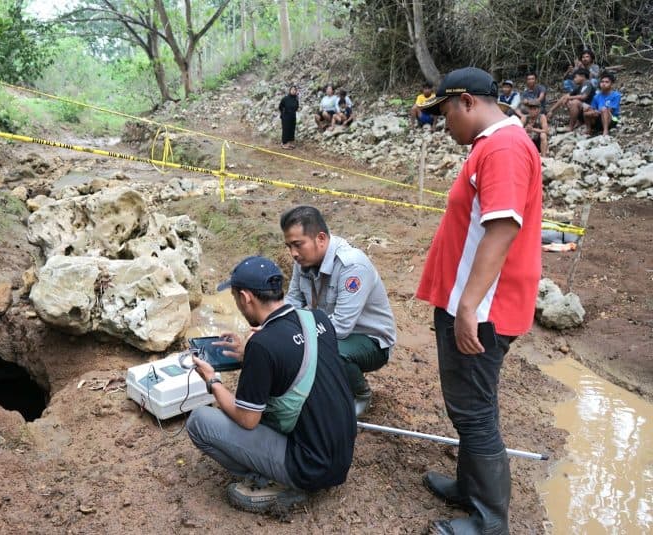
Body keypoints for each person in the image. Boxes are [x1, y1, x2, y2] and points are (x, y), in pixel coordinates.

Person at [417, 67, 542, 535]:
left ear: (467, 101)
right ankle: (470, 488)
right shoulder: (491, 145)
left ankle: (490, 523)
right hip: (471, 303)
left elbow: (503, 225)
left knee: (474, 409)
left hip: (483, 310)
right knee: (469, 404)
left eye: (445, 111)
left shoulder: (504, 148)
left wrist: (468, 307)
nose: (443, 122)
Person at [186, 256, 356, 514]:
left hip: (308, 467)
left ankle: (277, 481)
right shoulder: (318, 319)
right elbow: (297, 358)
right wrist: (249, 356)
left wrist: (213, 381)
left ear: (245, 297)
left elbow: (247, 420)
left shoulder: (263, 345)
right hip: (340, 456)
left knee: (199, 421)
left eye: (235, 298)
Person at [280, 205, 396, 416]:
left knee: (329, 351)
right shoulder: (303, 262)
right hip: (331, 330)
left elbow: (341, 327)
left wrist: (299, 336)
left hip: (370, 340)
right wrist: (275, 328)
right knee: (296, 342)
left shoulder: (352, 266)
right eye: (289, 246)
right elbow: (293, 301)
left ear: (321, 238)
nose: (293, 253)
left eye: (298, 245)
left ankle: (361, 394)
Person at [584, 71, 621, 136]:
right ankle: (588, 129)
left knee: (604, 109)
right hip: (599, 117)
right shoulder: (596, 96)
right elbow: (593, 108)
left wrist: (598, 111)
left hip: (612, 119)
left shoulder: (616, 95)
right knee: (587, 110)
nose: (604, 84)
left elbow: (611, 110)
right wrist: (593, 112)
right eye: (602, 82)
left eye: (607, 82)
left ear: (611, 84)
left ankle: (605, 131)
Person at [279, 85, 299, 149]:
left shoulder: (296, 99)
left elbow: (296, 107)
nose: (293, 91)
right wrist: (283, 113)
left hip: (293, 116)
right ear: (290, 91)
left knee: (292, 129)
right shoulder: (285, 98)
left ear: (296, 91)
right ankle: (284, 143)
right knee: (286, 129)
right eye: (292, 90)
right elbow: (280, 106)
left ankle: (289, 143)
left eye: (294, 90)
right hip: (286, 116)